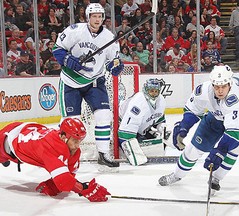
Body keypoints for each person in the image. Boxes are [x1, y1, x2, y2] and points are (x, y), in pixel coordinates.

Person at [158, 65, 239, 195]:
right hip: (216, 115)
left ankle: (216, 178)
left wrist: (220, 151)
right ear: (212, 84)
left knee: (234, 147)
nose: (220, 91)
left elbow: (234, 134)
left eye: (223, 86)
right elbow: (192, 110)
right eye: (216, 87)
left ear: (230, 83)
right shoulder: (203, 91)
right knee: (193, 150)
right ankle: (177, 175)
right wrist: (183, 127)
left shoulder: (236, 99)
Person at [52, 3, 124, 171]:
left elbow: (113, 61)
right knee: (71, 123)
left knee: (104, 116)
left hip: (94, 83)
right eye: (94, 16)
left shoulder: (108, 37)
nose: (97, 19)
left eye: (100, 16)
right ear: (87, 17)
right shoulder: (74, 31)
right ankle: (62, 154)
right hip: (70, 82)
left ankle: (103, 155)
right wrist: (68, 60)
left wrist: (116, 66)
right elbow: (57, 49)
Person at [0, 118, 110, 202]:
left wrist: (52, 184)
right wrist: (85, 188)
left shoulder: (69, 147)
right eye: (75, 141)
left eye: (79, 141)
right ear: (63, 137)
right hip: (6, 142)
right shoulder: (51, 148)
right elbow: (64, 181)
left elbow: (69, 175)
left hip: (25, 131)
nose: (77, 145)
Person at [118, 79, 170, 165]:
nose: (154, 94)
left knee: (158, 145)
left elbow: (159, 120)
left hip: (140, 127)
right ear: (145, 90)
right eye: (151, 91)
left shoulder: (161, 100)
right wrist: (135, 156)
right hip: (120, 124)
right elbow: (125, 133)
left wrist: (164, 131)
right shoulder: (138, 104)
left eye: (156, 91)